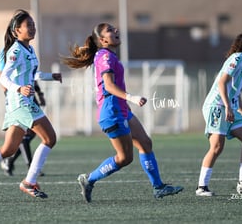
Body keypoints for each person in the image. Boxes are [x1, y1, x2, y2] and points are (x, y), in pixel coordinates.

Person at [61, 23, 183, 202]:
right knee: (125, 158)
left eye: (114, 29)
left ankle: (159, 188)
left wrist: (126, 104)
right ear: (103, 40)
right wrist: (131, 97)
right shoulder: (104, 57)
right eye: (110, 31)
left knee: (145, 143)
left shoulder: (108, 55)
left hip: (121, 110)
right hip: (111, 113)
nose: (116, 31)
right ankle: (89, 179)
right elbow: (109, 86)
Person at [0, 9, 62, 201]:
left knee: (9, 150)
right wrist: (19, 89)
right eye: (27, 25)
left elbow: (31, 75)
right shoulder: (15, 51)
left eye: (33, 24)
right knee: (50, 138)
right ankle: (29, 181)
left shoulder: (29, 49)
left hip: (19, 104)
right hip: (21, 103)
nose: (32, 28)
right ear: (16, 31)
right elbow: (4, 77)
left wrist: (50, 77)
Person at [196, 29, 242, 197]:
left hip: (230, 107)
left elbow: (236, 92)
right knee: (217, 147)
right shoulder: (237, 58)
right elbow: (222, 82)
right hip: (217, 105)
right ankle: (201, 187)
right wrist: (227, 106)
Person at [0, 43, 46, 177]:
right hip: (18, 98)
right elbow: (3, 79)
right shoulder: (8, 51)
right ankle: (31, 167)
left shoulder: (26, 49)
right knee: (32, 135)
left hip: (29, 95)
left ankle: (10, 161)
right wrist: (15, 91)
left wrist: (39, 93)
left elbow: (30, 75)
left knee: (28, 135)